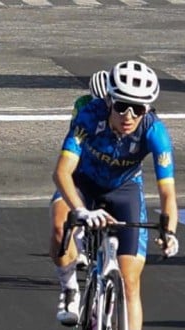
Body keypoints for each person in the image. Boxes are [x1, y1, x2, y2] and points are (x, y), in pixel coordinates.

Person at [50, 59, 180, 330]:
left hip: (124, 191)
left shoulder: (155, 131)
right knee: (60, 222)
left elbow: (167, 191)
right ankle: (68, 289)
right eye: (121, 105)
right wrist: (80, 209)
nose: (128, 115)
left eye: (138, 109)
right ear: (109, 101)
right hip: (82, 184)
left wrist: (169, 230)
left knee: (130, 281)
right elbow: (62, 172)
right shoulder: (88, 118)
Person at [69, 70, 111, 270]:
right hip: (86, 151)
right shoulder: (82, 103)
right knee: (75, 203)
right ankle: (79, 250)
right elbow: (75, 131)